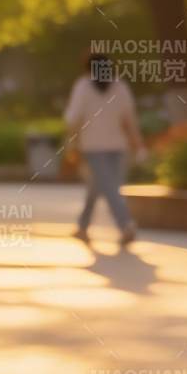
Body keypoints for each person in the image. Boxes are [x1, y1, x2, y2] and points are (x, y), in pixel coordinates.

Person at [64, 51, 145, 245]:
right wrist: (137, 144)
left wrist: (70, 143)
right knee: (108, 187)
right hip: (117, 147)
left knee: (104, 187)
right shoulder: (120, 86)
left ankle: (125, 226)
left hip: (93, 147)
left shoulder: (83, 86)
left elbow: (74, 119)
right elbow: (129, 121)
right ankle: (89, 226)